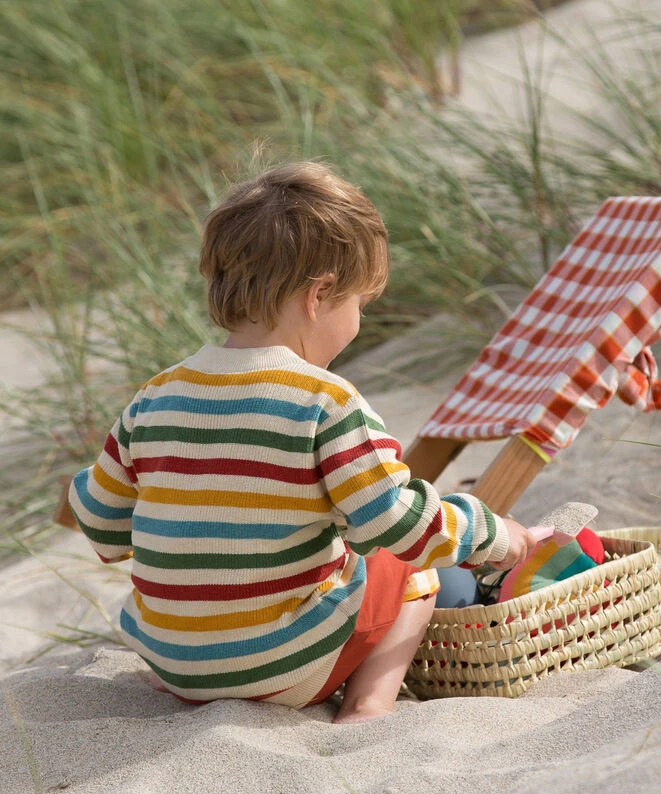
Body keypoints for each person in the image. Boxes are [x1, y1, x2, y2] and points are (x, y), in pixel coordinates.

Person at [69, 162, 537, 724]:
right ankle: (368, 706)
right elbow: (401, 523)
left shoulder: (153, 398)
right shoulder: (326, 402)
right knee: (410, 565)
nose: (357, 322)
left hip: (173, 667)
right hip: (282, 668)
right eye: (359, 305)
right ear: (319, 297)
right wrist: (495, 536)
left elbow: (100, 527)